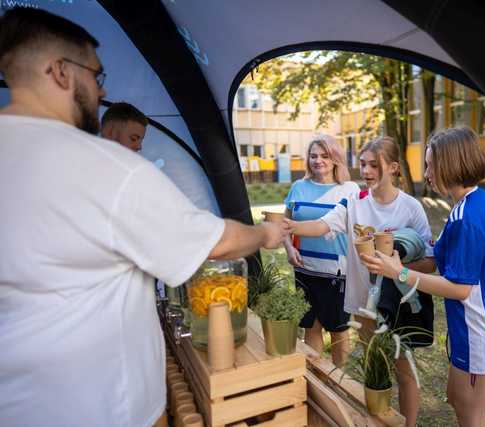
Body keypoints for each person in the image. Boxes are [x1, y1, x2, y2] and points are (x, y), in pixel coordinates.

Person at [0, 8, 285, 427]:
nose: (100, 92)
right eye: (95, 76)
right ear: (60, 71)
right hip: (107, 409)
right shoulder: (107, 167)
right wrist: (264, 232)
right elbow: (216, 243)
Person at [360, 126, 485, 427]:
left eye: (430, 165)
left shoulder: (466, 218)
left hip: (482, 330)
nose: (426, 173)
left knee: (470, 412)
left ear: (450, 163)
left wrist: (401, 272)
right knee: (456, 399)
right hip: (481, 323)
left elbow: (460, 289)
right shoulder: (482, 199)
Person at [284, 136, 436, 427]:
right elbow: (323, 225)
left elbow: (431, 262)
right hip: (364, 303)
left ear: (393, 167)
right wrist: (290, 225)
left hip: (400, 304)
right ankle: (379, 420)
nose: (366, 171)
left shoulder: (410, 207)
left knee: (404, 372)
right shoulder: (354, 201)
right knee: (375, 368)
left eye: (373, 165)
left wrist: (395, 267)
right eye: (363, 164)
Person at [283, 134, 359, 367]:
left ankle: (339, 382)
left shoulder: (350, 189)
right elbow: (284, 225)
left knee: (338, 331)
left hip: (337, 273)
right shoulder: (298, 187)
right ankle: (316, 379)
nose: (318, 161)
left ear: (335, 158)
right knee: (311, 326)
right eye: (313, 156)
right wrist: (288, 249)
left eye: (324, 156)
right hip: (304, 269)